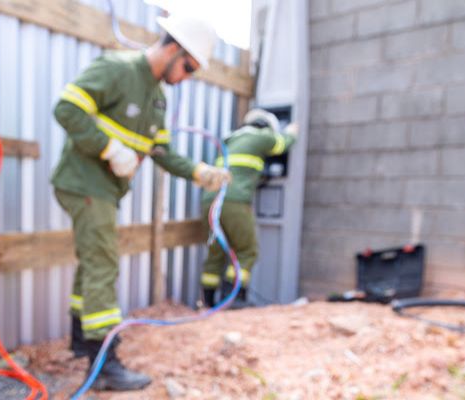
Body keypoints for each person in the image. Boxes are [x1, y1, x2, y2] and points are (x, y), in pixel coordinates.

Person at [51, 13, 231, 391]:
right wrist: (109, 148)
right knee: (103, 263)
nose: (187, 77)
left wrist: (200, 173)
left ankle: (82, 342)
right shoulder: (117, 70)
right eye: (188, 67)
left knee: (93, 263)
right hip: (83, 183)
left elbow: (162, 153)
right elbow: (66, 109)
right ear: (172, 49)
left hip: (104, 190)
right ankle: (104, 365)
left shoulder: (157, 99)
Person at [200, 109, 298, 308]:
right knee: (247, 251)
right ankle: (233, 300)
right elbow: (282, 144)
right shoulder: (261, 136)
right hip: (234, 202)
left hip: (209, 201)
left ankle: (208, 304)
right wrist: (292, 133)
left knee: (215, 253)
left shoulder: (229, 139)